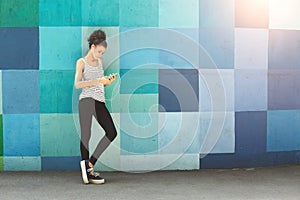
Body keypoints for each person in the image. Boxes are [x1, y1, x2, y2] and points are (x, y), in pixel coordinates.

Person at [74, 29, 118, 184]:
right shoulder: (81, 62)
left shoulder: (100, 62)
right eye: (99, 51)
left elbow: (100, 84)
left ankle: (89, 165)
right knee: (86, 134)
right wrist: (98, 81)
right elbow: (77, 84)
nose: (100, 55)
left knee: (111, 132)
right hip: (86, 100)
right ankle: (87, 170)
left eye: (102, 53)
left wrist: (106, 82)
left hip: (99, 101)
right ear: (92, 47)